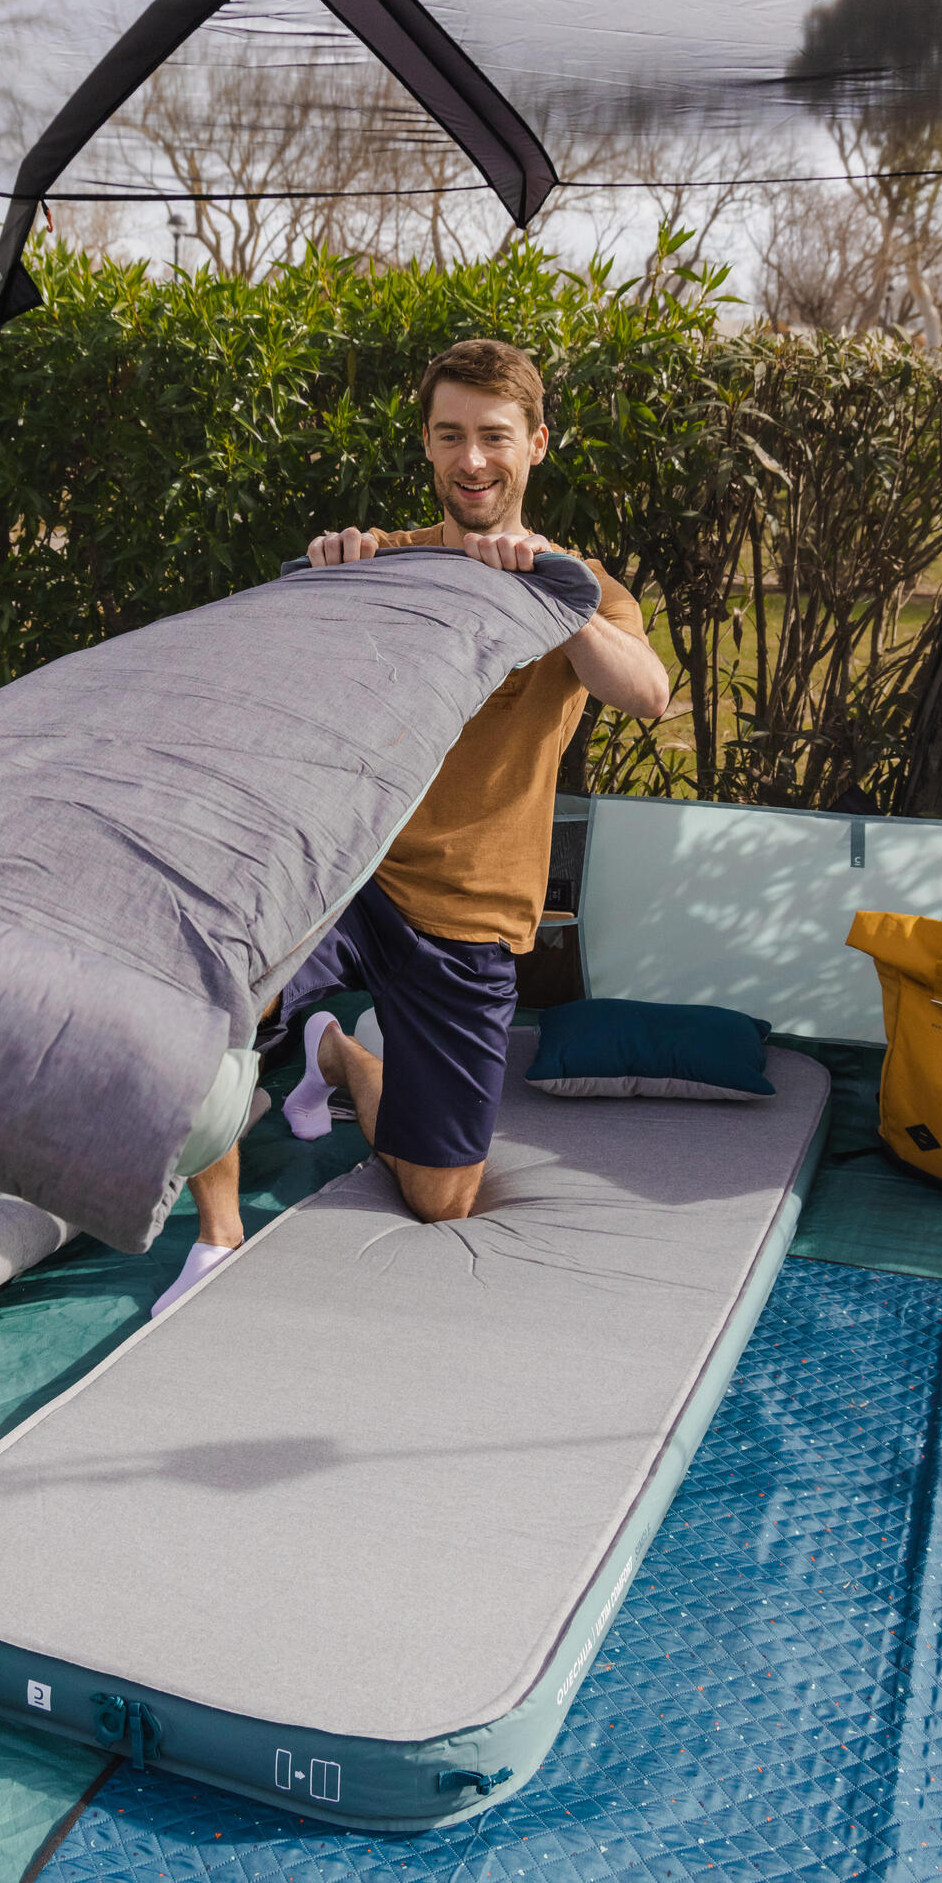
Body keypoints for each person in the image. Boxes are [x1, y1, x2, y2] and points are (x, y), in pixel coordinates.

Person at [149, 337, 668, 1320]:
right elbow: (267, 680)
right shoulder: (383, 561)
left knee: (441, 1196)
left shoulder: (581, 583)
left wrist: (551, 595)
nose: (472, 460)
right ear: (428, 447)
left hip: (469, 909)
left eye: (494, 437)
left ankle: (340, 1055)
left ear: (537, 444)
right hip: (343, 868)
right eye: (450, 436)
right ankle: (218, 1236)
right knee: (216, 986)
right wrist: (325, 574)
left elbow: (645, 691)